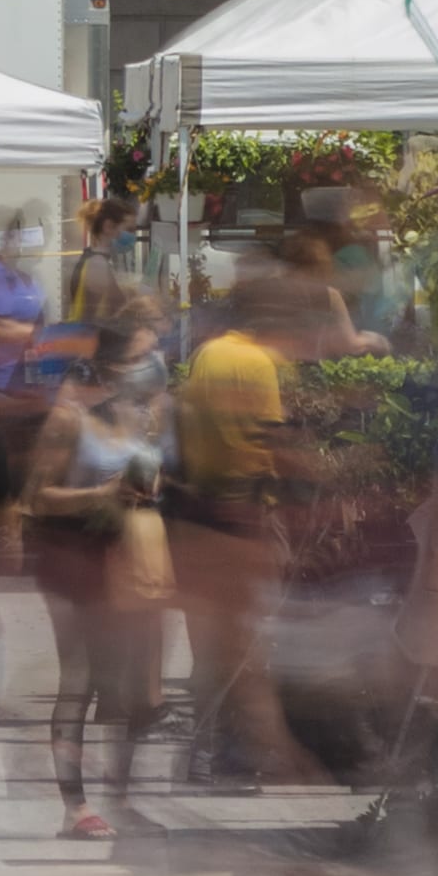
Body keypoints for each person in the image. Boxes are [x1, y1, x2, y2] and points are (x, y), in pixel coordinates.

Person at [17, 283, 175, 835]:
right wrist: (100, 495)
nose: (151, 367)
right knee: (79, 680)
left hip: (124, 557)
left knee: (129, 683)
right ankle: (75, 807)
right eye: (138, 358)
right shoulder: (69, 419)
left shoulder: (143, 417)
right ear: (108, 367)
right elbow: (36, 498)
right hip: (71, 557)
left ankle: (123, 797)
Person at [166, 239, 321, 791]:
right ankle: (226, 756)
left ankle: (211, 757)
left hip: (197, 516)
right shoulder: (259, 364)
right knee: (248, 650)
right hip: (245, 516)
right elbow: (270, 444)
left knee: (213, 647)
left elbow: (185, 427)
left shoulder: (210, 353)